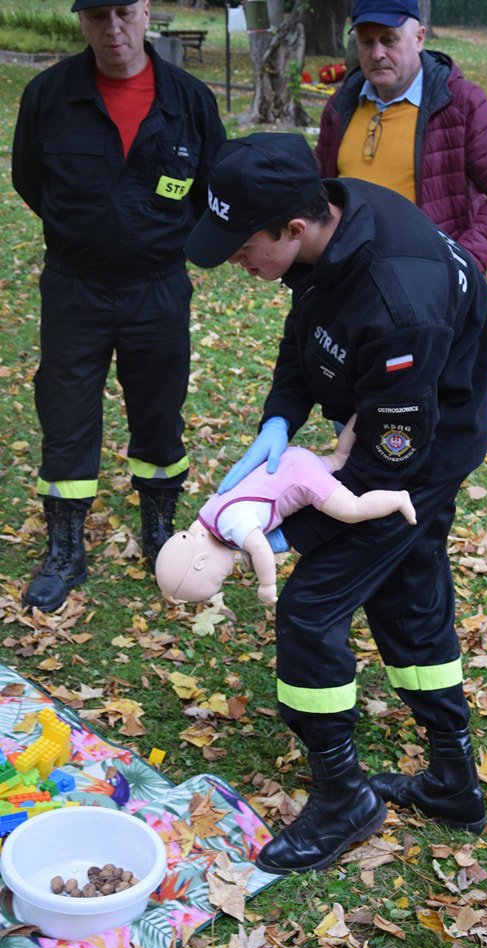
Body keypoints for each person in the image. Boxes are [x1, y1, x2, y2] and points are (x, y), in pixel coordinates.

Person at [185, 131, 487, 875]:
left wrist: (283, 521)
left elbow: (387, 464)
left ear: (294, 227)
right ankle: (453, 782)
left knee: (310, 611)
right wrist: (280, 418)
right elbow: (306, 333)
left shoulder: (397, 303)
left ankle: (342, 797)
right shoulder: (338, 222)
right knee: (407, 598)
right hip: (391, 430)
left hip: (411, 460)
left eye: (240, 245)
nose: (235, 259)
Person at [11, 0, 226, 613]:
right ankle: (65, 549)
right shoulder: (50, 96)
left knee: (159, 411)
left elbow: (215, 185)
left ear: (146, 11)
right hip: (75, 285)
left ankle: (160, 529)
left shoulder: (188, 100)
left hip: (157, 285)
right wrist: (86, 231)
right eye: (97, 15)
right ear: (81, 20)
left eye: (124, 12)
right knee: (66, 411)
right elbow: (31, 180)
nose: (113, 29)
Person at [315, 0, 487, 274]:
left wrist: (463, 263)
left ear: (419, 38)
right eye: (366, 42)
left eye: (389, 39)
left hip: (426, 284)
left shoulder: (460, 103)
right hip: (349, 281)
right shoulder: (340, 106)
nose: (377, 53)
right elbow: (321, 191)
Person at [155, 415, 416, 605]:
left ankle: (398, 499)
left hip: (300, 479)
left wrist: (267, 585)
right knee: (339, 458)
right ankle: (361, 413)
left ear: (201, 562)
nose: (224, 578)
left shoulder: (232, 525)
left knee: (351, 508)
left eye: (217, 580)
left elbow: (260, 549)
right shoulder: (208, 519)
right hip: (290, 463)